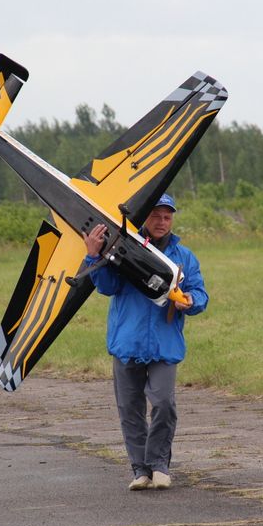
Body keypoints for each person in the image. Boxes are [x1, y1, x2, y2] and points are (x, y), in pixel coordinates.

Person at [82, 194, 208, 491]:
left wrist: (191, 301)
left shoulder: (184, 256)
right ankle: (140, 470)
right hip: (127, 341)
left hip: (165, 344)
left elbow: (200, 294)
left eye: (167, 216)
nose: (162, 222)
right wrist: (93, 256)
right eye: (155, 215)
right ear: (144, 218)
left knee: (164, 404)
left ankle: (158, 465)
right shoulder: (124, 247)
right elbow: (108, 286)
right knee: (130, 409)